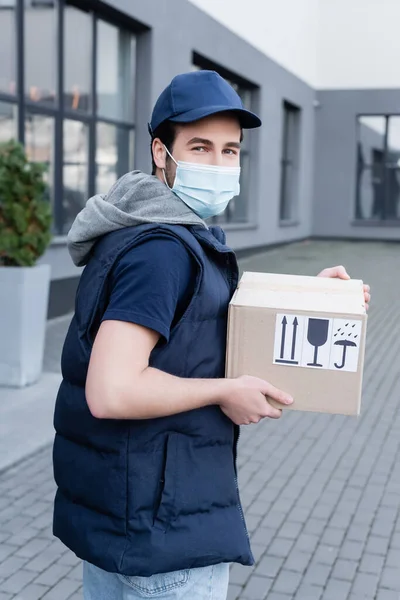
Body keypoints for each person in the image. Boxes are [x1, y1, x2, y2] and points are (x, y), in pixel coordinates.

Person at [52, 70, 371, 600]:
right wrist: (225, 391)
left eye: (231, 150)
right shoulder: (161, 251)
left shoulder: (143, 226)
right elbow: (111, 391)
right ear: (162, 152)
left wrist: (312, 298)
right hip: (162, 530)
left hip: (129, 514)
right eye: (200, 147)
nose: (220, 165)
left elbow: (192, 328)